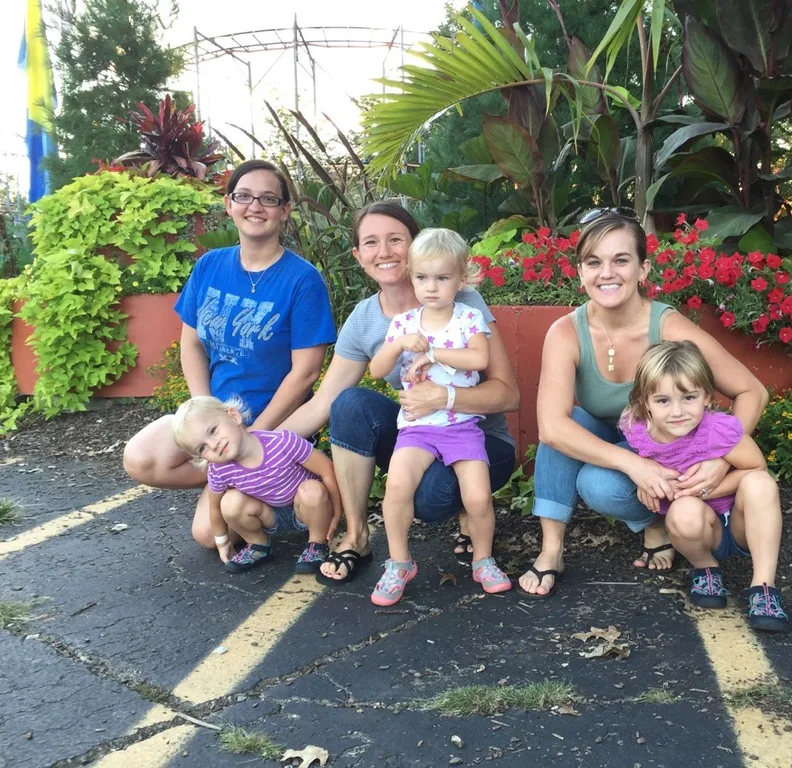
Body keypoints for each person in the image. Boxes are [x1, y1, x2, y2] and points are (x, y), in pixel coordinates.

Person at [516, 209, 773, 601]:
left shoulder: (666, 326)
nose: (607, 273)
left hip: (666, 446)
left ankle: (660, 523)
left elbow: (752, 391)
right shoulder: (566, 331)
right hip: (623, 444)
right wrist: (635, 465)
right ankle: (553, 549)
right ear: (580, 272)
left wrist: (722, 459)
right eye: (594, 262)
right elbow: (551, 427)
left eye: (621, 260)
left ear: (643, 269)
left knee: (596, 484)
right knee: (567, 428)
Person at [277, 202, 519, 586]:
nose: (384, 251)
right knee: (350, 404)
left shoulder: (463, 304)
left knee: (433, 497)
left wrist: (445, 396)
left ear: (414, 245)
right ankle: (358, 536)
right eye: (371, 242)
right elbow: (324, 402)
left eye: (395, 239)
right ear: (358, 255)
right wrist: (258, 447)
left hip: (478, 436)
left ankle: (471, 526)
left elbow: (509, 395)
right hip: (419, 431)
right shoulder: (367, 318)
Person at [122, 160, 336, 550]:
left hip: (273, 423)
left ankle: (263, 486)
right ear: (229, 204)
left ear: (285, 211)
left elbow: (305, 373)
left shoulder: (302, 280)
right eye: (244, 196)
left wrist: (257, 435)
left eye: (268, 199)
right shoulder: (210, 266)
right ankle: (233, 476)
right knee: (139, 457)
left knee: (206, 535)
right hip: (216, 418)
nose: (255, 206)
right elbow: (192, 343)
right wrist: (202, 412)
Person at [364, 229, 512, 605]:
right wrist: (397, 343)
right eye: (422, 277)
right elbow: (377, 370)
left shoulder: (469, 317)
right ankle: (399, 562)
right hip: (416, 429)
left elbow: (478, 359)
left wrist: (433, 354)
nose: (431, 287)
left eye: (443, 278)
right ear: (411, 276)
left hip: (461, 426)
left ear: (462, 279)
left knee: (477, 496)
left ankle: (483, 559)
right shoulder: (404, 324)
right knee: (397, 487)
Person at [619, 341, 787, 631]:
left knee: (761, 484)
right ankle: (706, 569)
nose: (677, 412)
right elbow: (645, 462)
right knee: (683, 511)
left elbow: (756, 467)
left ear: (707, 397)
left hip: (741, 523)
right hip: (699, 528)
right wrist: (644, 480)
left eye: (689, 398)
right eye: (663, 401)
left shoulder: (717, 430)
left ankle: (764, 588)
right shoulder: (637, 429)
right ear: (645, 402)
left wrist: (706, 489)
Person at [170, 395, 341, 574]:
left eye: (213, 431)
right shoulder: (219, 469)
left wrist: (336, 512)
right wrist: (223, 542)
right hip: (270, 515)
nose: (213, 445)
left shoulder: (282, 441)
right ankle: (259, 545)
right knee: (229, 502)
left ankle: (317, 543)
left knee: (311, 489)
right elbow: (214, 508)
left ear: (234, 416)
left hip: (306, 509)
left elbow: (327, 470)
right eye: (202, 448)